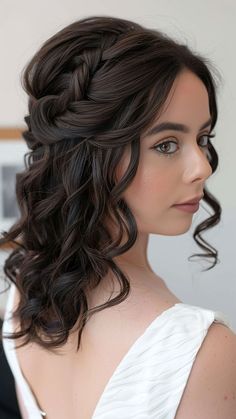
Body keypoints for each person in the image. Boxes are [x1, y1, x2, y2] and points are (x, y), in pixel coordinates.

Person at [0, 15, 235, 419]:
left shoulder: (27, 289)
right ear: (92, 156)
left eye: (203, 139)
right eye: (166, 144)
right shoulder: (205, 352)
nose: (202, 167)